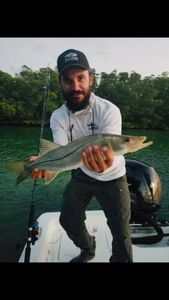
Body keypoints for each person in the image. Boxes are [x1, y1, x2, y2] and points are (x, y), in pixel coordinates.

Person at [31, 49, 133, 263]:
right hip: (81, 173)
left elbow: (110, 153)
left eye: (81, 78)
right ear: (60, 82)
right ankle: (88, 249)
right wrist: (43, 164)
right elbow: (60, 151)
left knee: (121, 233)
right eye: (68, 80)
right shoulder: (58, 116)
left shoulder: (109, 110)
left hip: (113, 177)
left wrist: (104, 164)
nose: (75, 86)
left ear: (91, 78)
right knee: (68, 219)